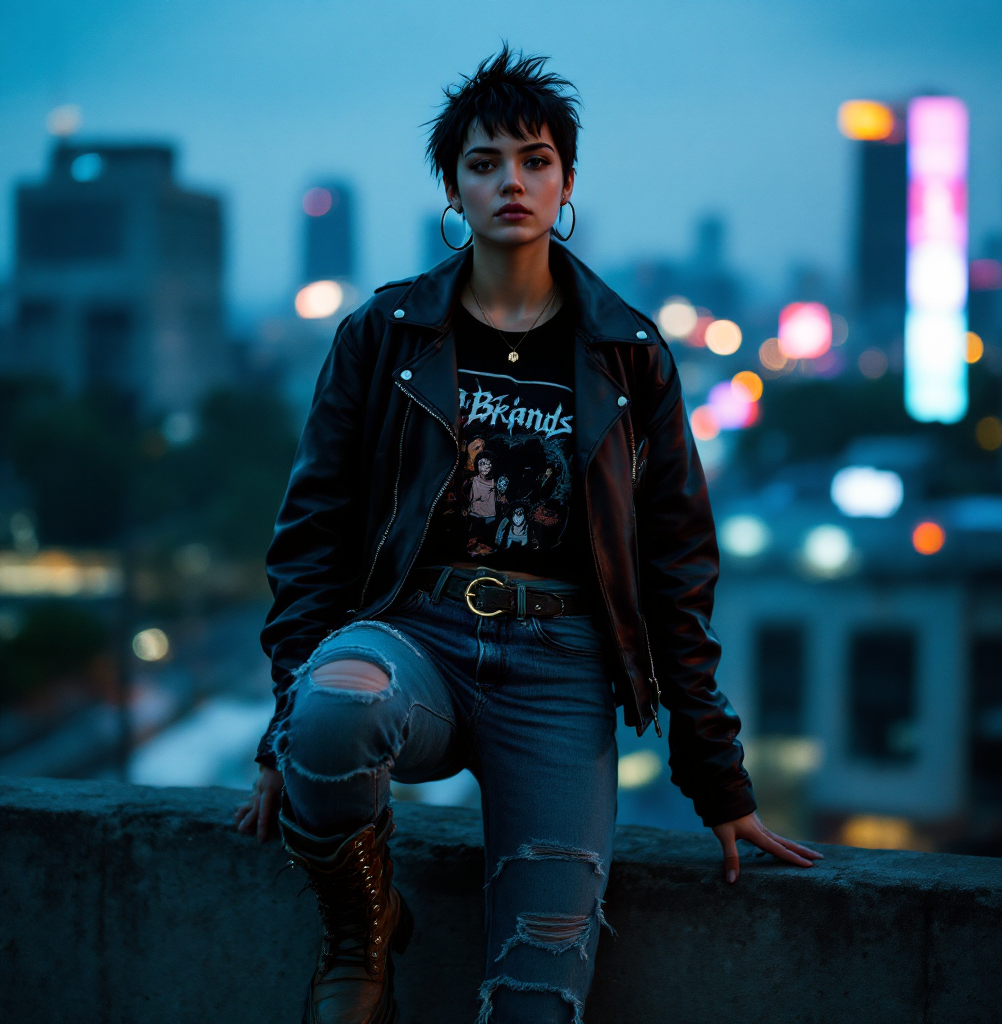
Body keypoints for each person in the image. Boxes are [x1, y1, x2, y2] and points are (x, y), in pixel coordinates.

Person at [235, 46, 822, 1024]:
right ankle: (363, 928)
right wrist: (279, 734)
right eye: (484, 161)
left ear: (567, 182)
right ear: (452, 189)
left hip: (560, 666)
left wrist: (714, 772)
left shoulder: (626, 353)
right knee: (333, 705)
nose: (511, 180)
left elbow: (676, 564)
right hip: (414, 634)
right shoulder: (384, 336)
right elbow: (312, 534)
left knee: (535, 1000)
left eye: (535, 159)